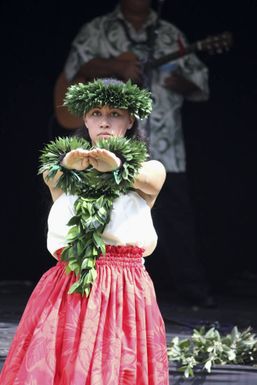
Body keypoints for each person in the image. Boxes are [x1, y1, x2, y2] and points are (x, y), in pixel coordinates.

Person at [0, 78, 169, 384]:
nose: (104, 121)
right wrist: (73, 164)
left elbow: (147, 180)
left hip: (123, 286)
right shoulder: (62, 170)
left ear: (130, 120)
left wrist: (115, 165)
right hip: (70, 281)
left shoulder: (152, 168)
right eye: (95, 113)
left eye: (115, 114)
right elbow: (53, 174)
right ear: (85, 119)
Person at [54, 0, 213, 306]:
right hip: (100, 148)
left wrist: (183, 84)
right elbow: (75, 72)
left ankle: (189, 288)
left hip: (164, 142)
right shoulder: (97, 30)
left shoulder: (170, 34)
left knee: (175, 214)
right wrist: (114, 67)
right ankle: (87, 282)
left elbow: (202, 84)